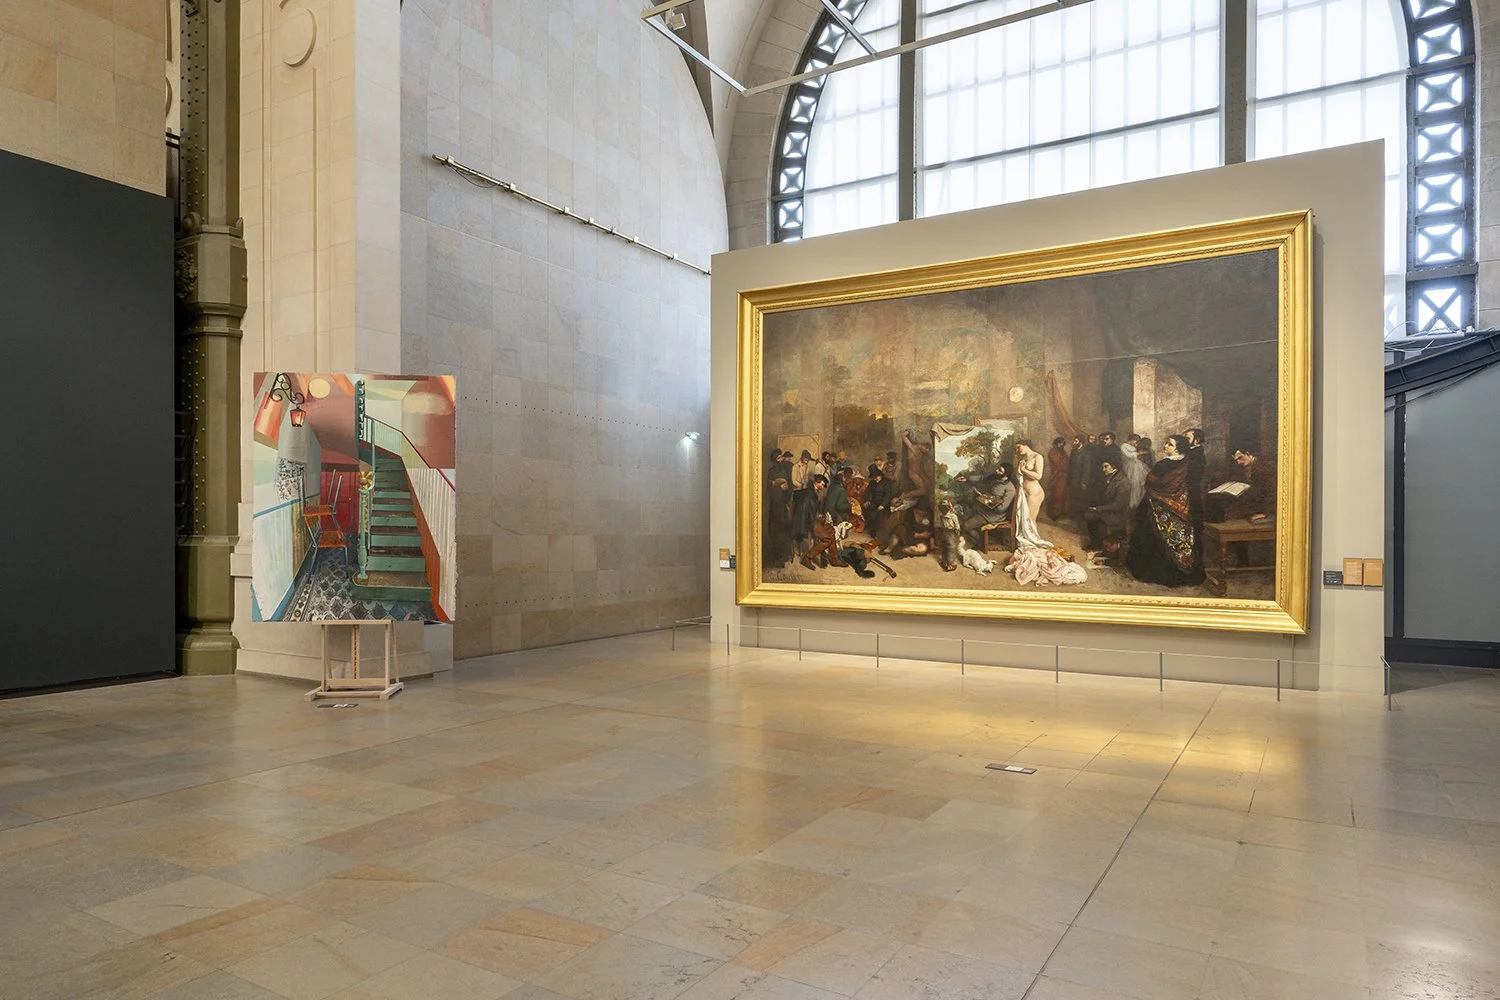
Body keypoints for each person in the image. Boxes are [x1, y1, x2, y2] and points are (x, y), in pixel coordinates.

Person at [1126, 434, 1205, 587]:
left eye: (1170, 444)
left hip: (1156, 505)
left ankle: (1154, 573)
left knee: (1147, 528)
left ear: (1178, 449)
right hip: (1182, 507)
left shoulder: (1163, 464)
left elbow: (1150, 481)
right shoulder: (1187, 464)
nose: (1165, 446)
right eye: (1166, 443)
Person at [1083, 459, 1132, 558]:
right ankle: (1096, 543)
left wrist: (1098, 509)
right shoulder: (1110, 477)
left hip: (1117, 515)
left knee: (1091, 516)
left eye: (1106, 466)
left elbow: (1118, 505)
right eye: (1103, 467)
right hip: (1109, 511)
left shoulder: (1123, 482)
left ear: (1114, 466)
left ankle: (1097, 545)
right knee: (1088, 515)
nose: (1103, 469)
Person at [765, 449, 794, 568]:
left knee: (785, 530)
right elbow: (768, 488)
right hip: (775, 506)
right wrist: (778, 486)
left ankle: (784, 556)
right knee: (776, 531)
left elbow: (791, 484)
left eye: (781, 457)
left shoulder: (786, 469)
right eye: (778, 458)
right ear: (774, 460)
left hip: (784, 504)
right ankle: (777, 558)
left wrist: (787, 488)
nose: (781, 459)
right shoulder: (771, 471)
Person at [1014, 439, 1045, 524]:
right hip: (1024, 492)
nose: (1017, 450)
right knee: (1022, 520)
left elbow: (1038, 476)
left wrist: (1024, 470)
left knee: (1030, 520)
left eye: (1018, 447)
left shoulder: (1037, 456)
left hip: (1034, 493)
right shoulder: (1023, 458)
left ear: (1026, 445)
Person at [1117, 436, 1147, 510]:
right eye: (1135, 441)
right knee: (1132, 484)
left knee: (1139, 484)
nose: (1136, 443)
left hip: (1136, 466)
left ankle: (1137, 502)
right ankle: (1131, 504)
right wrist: (1139, 453)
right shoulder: (1123, 446)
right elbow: (1129, 456)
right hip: (1129, 467)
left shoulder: (1132, 446)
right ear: (1131, 440)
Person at [1045, 436, 1070, 519]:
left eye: (1062, 443)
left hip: (1064, 476)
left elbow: (1067, 462)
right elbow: (1059, 464)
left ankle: (1062, 512)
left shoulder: (1064, 452)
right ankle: (1055, 513)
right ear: (1056, 443)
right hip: (1057, 476)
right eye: (1059, 443)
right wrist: (1065, 465)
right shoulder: (1052, 452)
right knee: (1057, 494)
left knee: (1064, 494)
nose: (1061, 445)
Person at [937, 499, 962, 572]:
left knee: (945, 548)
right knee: (951, 549)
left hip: (944, 533)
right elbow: (957, 527)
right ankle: (950, 565)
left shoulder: (941, 516)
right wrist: (957, 533)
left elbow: (941, 526)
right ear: (949, 507)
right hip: (951, 533)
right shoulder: (953, 516)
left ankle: (944, 562)